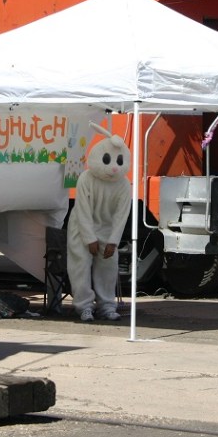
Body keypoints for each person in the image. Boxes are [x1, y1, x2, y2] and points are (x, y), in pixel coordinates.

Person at [66, 124, 132, 322]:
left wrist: (113, 241)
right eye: (107, 160)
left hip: (107, 229)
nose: (114, 167)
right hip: (81, 228)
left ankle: (106, 305)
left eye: (119, 161)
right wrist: (89, 238)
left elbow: (122, 215)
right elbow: (82, 209)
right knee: (80, 266)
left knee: (108, 267)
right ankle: (84, 306)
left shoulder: (123, 184)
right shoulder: (86, 178)